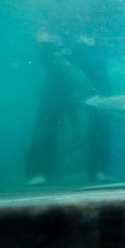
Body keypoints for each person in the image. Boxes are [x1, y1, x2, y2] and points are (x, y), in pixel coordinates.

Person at [25, 27, 113, 186]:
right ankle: (38, 171)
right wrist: (45, 44)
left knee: (102, 118)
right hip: (60, 69)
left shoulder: (98, 19)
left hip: (93, 69)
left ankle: (99, 169)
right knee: (47, 120)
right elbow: (42, 34)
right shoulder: (56, 16)